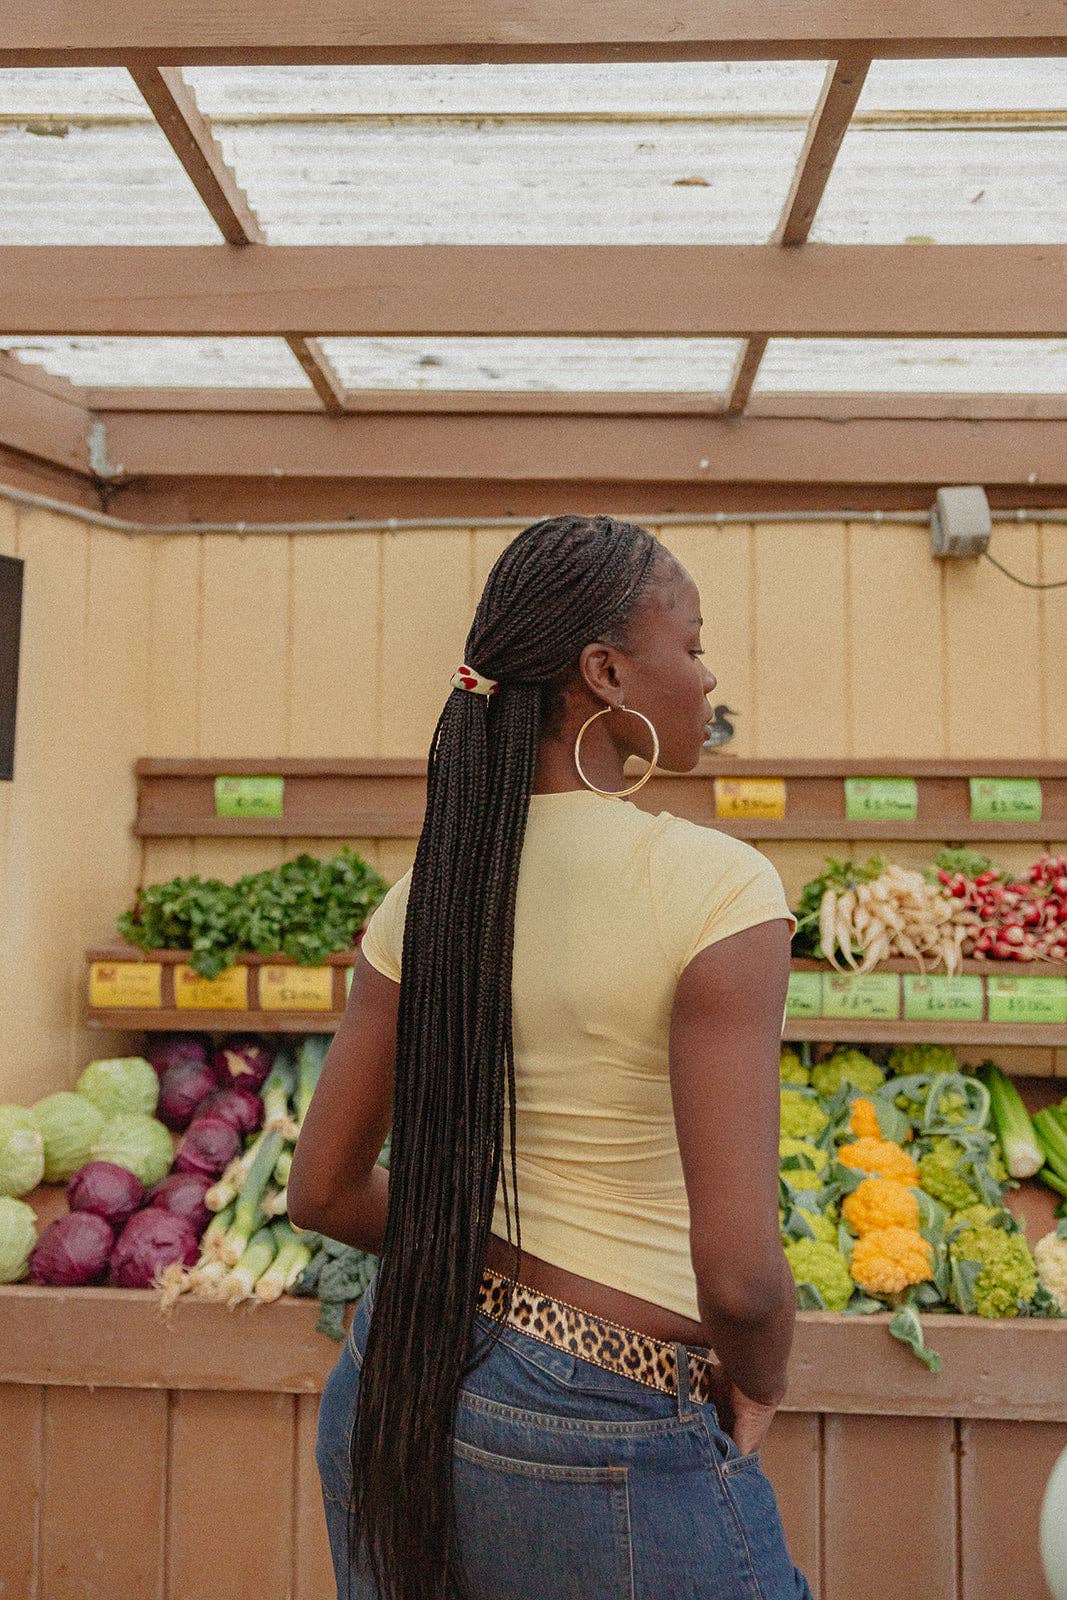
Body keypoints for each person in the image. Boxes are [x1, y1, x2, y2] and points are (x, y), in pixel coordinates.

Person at [289, 512, 815, 1600]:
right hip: (602, 1419)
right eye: (692, 643)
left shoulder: (426, 892)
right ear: (605, 672)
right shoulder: (717, 888)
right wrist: (758, 1381)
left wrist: (480, 1262)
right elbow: (740, 1276)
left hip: (399, 1365)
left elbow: (323, 1191)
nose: (708, 674)